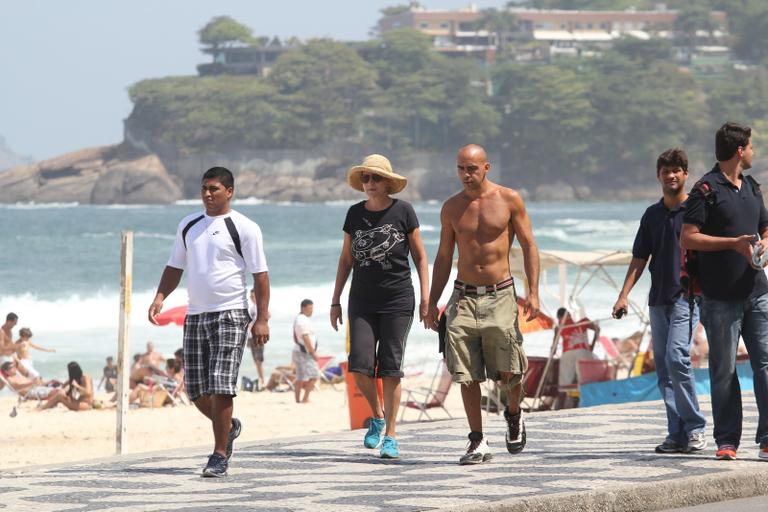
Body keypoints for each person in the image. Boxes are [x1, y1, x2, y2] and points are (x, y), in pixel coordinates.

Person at [148, 166, 270, 477]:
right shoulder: (188, 224)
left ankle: (218, 455)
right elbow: (175, 266)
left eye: (214, 189)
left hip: (231, 312)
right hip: (196, 314)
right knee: (194, 388)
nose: (207, 194)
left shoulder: (244, 227)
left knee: (221, 385)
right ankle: (228, 427)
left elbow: (261, 277)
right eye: (204, 188)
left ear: (229, 191)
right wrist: (160, 296)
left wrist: (261, 320)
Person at [426, 144, 540, 465]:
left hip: (500, 294)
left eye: (472, 168)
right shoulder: (451, 208)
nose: (466, 174)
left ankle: (514, 413)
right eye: (461, 168)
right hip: (462, 297)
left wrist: (534, 292)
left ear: (486, 168)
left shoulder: (508, 199)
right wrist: (431, 301)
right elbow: (445, 256)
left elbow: (530, 245)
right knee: (466, 372)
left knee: (509, 370)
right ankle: (477, 440)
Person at [331, 154, 430, 460]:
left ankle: (391, 435)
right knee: (359, 366)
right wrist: (335, 299)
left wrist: (427, 298)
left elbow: (421, 258)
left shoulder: (404, 211)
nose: (370, 184)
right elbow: (347, 259)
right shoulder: (354, 214)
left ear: (388, 182)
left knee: (390, 369)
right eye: (365, 178)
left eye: (375, 178)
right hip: (361, 300)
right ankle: (376, 414)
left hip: (398, 299)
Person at [681, 122, 768, 461]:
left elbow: (765, 225)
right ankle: (727, 440)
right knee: (723, 370)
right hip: (719, 297)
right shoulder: (705, 189)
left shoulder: (752, 187)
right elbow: (688, 237)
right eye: (751, 146)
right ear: (739, 151)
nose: (753, 152)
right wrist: (733, 244)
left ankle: (766, 439)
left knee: (764, 365)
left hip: (758, 292)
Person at [613, 148, 707, 454]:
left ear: (685, 174)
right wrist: (623, 295)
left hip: (687, 297)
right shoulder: (652, 215)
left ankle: (694, 429)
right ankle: (676, 434)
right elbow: (640, 257)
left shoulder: (696, 210)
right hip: (658, 300)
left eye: (677, 170)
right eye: (666, 171)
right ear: (658, 176)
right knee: (665, 369)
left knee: (677, 357)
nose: (671, 175)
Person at [555, 308, 598, 407]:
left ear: (559, 318)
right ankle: (586, 404)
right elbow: (597, 329)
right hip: (583, 352)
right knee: (585, 381)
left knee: (564, 385)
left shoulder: (559, 327)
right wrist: (592, 345)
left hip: (567, 354)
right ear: (569, 314)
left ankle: (559, 408)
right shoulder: (583, 322)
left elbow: (554, 345)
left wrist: (553, 353)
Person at [293, 299, 319, 403]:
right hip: (305, 352)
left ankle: (298, 400)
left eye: (312, 308)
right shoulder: (302, 319)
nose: (311, 311)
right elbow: (305, 336)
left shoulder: (299, 318)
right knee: (314, 375)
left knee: (300, 376)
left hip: (299, 350)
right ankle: (305, 398)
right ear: (303, 308)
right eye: (310, 308)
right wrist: (313, 352)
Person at [246, 291, 265, 389]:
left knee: (258, 359)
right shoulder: (252, 307)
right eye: (251, 296)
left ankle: (262, 381)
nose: (252, 298)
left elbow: (268, 315)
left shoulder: (260, 307)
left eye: (253, 296)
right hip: (251, 337)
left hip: (258, 336)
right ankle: (261, 380)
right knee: (256, 360)